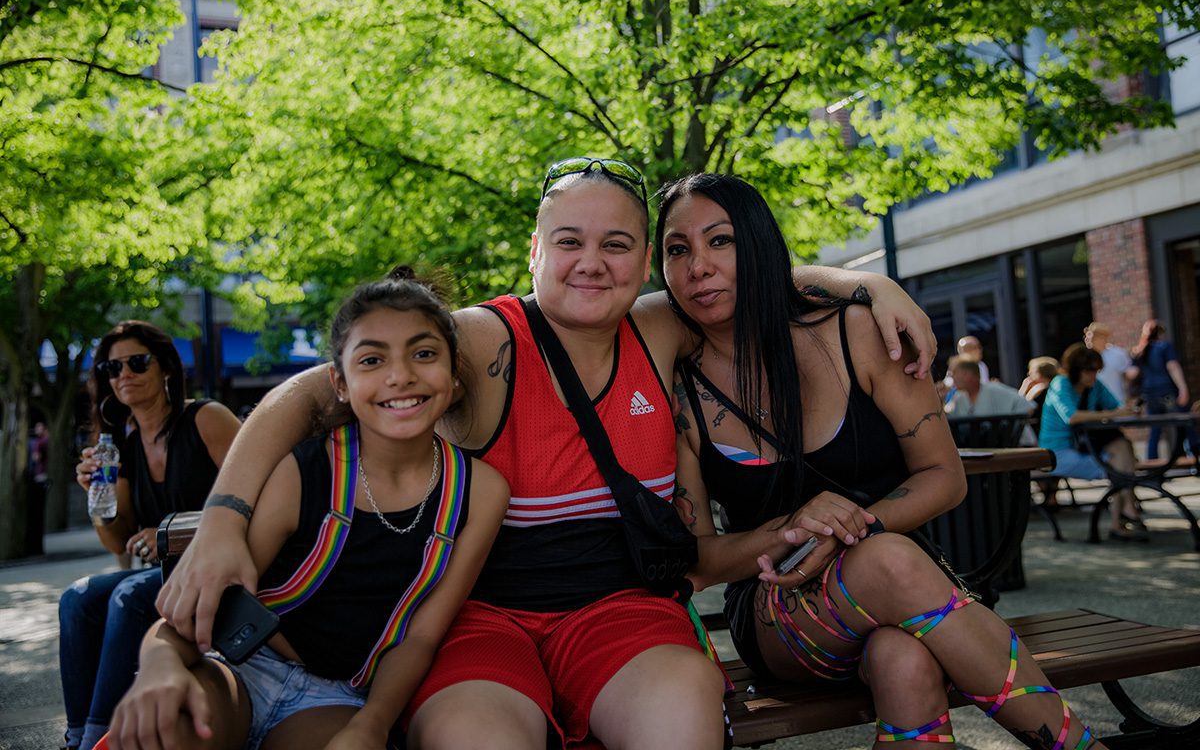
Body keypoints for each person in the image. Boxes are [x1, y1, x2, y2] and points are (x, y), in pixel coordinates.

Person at [155, 158, 938, 750]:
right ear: (534, 251)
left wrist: (868, 286)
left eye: (617, 244)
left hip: (625, 612)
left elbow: (747, 274)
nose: (591, 261)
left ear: (644, 265)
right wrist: (223, 520)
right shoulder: (480, 340)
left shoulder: (659, 326)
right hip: (479, 619)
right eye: (569, 241)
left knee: (682, 722)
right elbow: (306, 396)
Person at [659, 173, 1105, 748]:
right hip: (779, 611)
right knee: (889, 561)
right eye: (678, 249)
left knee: (903, 660)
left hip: (907, 596)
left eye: (721, 241)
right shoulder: (680, 393)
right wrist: (799, 528)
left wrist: (858, 522)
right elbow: (700, 560)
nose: (698, 265)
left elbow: (945, 477)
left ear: (759, 244)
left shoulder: (859, 333)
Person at [105, 270, 508, 750]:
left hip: (336, 697)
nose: (400, 375)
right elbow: (201, 605)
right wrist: (159, 664)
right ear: (339, 381)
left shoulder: (481, 491)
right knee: (164, 726)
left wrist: (372, 724)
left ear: (454, 368)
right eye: (373, 359)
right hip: (242, 666)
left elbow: (420, 637)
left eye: (424, 354)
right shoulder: (304, 469)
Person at [60, 321, 242, 750]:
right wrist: (96, 497)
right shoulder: (120, 447)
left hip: (223, 569)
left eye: (137, 362)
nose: (123, 374)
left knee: (127, 597)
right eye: (111, 367)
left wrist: (166, 530)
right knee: (78, 598)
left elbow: (266, 497)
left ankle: (99, 739)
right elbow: (117, 541)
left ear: (165, 369)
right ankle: (76, 734)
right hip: (168, 575)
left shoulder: (206, 419)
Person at [1038, 343, 1144, 541]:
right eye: (1089, 371)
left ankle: (1120, 517)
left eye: (1096, 370)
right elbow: (1072, 417)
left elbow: (1117, 406)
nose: (1093, 375)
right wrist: (1112, 413)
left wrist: (1129, 409)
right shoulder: (1061, 384)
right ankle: (1124, 512)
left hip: (1085, 446)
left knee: (1124, 448)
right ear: (1076, 370)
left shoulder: (1095, 386)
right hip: (1057, 453)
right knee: (1121, 458)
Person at [1131, 319, 1199, 460]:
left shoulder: (1140, 351)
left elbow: (1133, 374)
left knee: (1155, 429)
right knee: (1186, 423)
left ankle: (1152, 463)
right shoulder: (1164, 347)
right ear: (1160, 333)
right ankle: (1195, 457)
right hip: (1167, 392)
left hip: (1149, 395)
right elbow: (1172, 366)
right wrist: (1183, 389)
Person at [1021, 356, 1064, 506]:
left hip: (1040, 441)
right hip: (1060, 440)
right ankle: (1051, 496)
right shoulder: (1061, 389)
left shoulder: (1039, 390)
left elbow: (1022, 411)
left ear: (1038, 375)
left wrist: (1024, 390)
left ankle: (1047, 494)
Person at [944, 357, 1036, 420]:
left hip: (1012, 446)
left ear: (969, 374)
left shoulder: (995, 390)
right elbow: (947, 419)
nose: (952, 377)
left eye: (955, 373)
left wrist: (1010, 427)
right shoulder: (959, 397)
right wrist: (939, 400)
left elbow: (1029, 406)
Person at [1084, 322, 1133, 406]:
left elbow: (1129, 377)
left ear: (1103, 338)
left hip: (1117, 404)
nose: (1087, 340)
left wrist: (1130, 399)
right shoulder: (1084, 357)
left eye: (1092, 337)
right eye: (1086, 337)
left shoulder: (1118, 354)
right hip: (1094, 407)